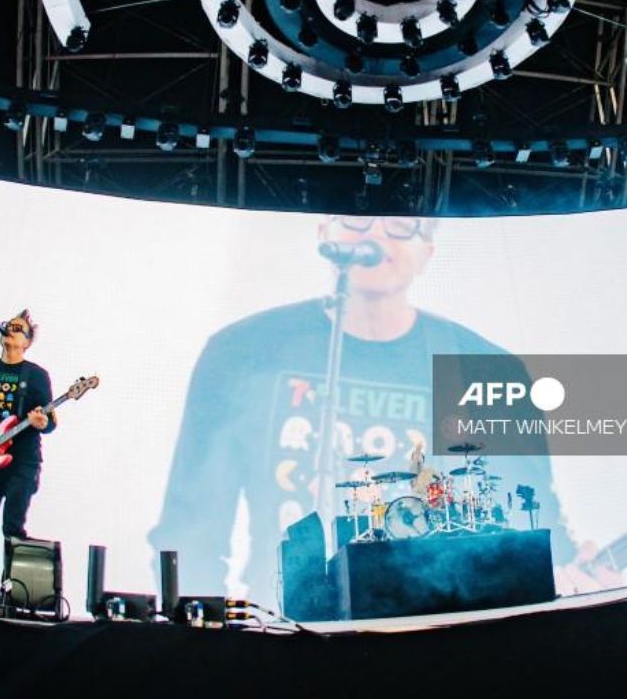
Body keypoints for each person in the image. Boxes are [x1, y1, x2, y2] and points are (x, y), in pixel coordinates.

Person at [147, 215, 572, 608]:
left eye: (402, 223)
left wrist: (576, 577)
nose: (376, 233)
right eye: (356, 217)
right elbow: (192, 528)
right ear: (323, 232)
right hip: (279, 639)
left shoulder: (484, 366)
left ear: (429, 251)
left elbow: (536, 523)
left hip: (443, 635)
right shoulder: (242, 351)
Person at [0, 310, 57, 603]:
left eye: (19, 328)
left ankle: (10, 595)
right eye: (9, 326)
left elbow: (50, 420)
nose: (11, 330)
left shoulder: (37, 375)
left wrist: (44, 423)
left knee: (11, 527)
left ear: (27, 342)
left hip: (23, 462)